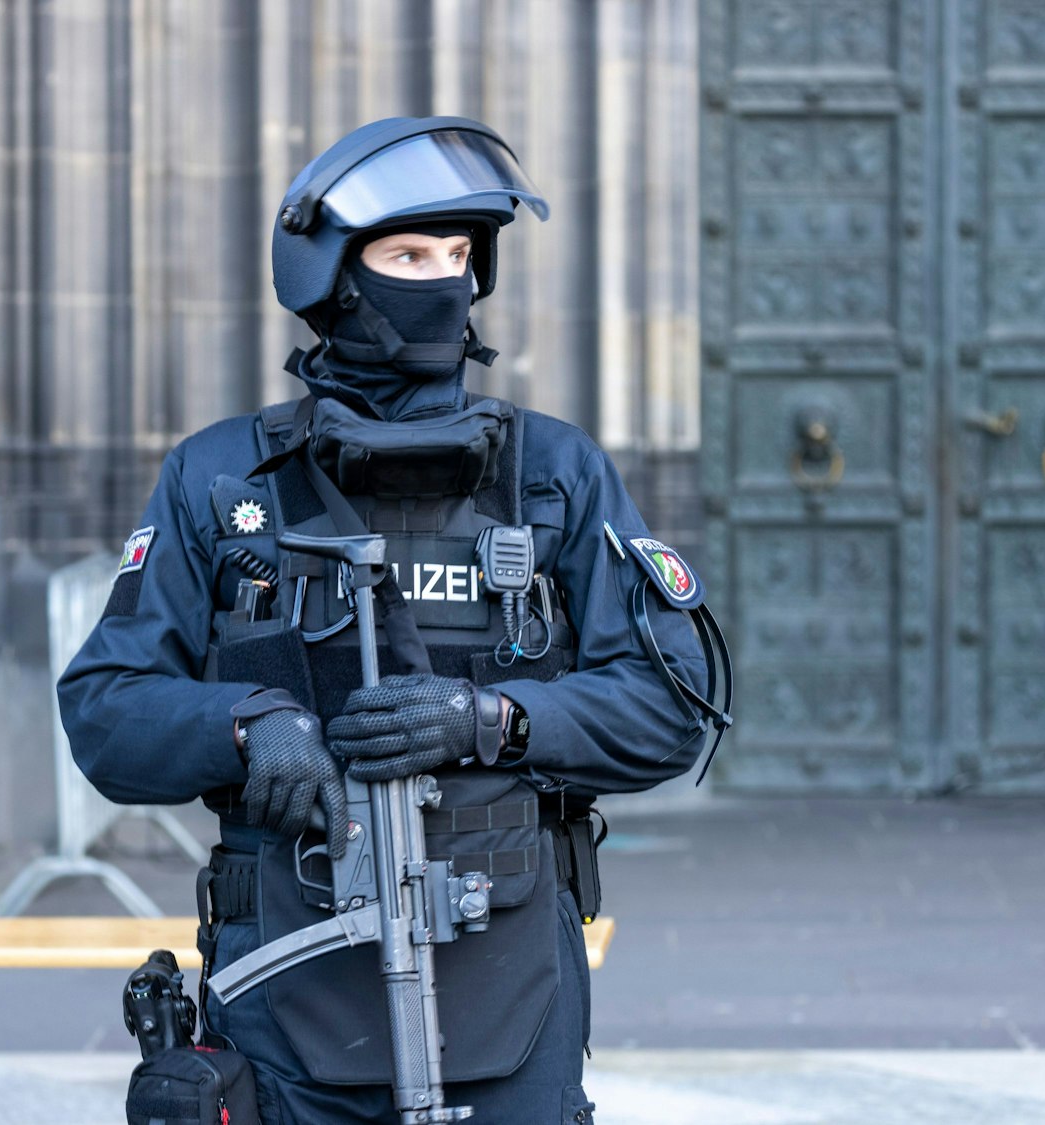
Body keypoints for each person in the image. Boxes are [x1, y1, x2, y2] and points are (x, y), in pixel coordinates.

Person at [60, 116, 728, 1124]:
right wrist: (245, 727)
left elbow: (671, 706)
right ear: (330, 274)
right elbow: (104, 710)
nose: (443, 282)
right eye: (409, 256)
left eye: (459, 256)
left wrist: (493, 720)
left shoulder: (552, 475)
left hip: (510, 993)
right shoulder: (223, 479)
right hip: (285, 994)